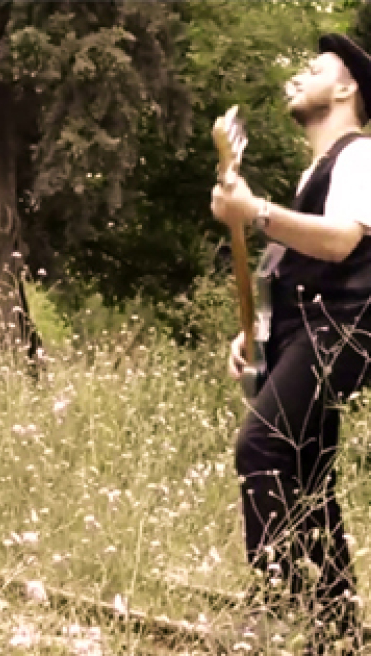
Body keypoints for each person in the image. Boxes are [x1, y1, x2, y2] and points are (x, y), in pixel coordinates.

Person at [212, 33, 371, 654]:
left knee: (261, 446)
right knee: (306, 477)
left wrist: (254, 211)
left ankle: (275, 600)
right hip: (306, 329)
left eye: (313, 68)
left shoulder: (360, 156)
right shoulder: (317, 170)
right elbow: (291, 270)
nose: (296, 77)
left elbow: (339, 243)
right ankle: (341, 632)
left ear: (347, 86)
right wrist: (252, 333)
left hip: (347, 326)